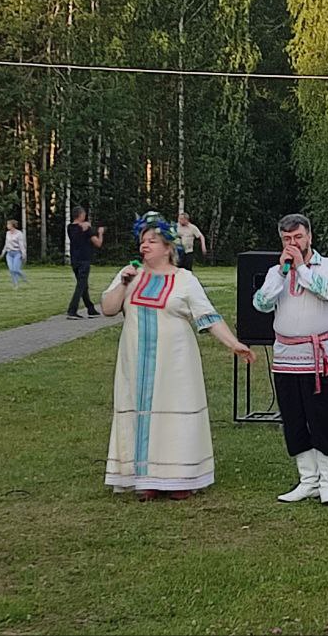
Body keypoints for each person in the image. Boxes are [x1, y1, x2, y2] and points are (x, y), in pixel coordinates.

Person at [100, 212, 255, 501]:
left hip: (175, 362)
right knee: (140, 413)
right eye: (143, 241)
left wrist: (234, 344)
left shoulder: (185, 279)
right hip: (135, 361)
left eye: (152, 241)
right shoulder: (130, 274)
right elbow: (108, 309)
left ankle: (180, 478)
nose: (145, 246)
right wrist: (123, 282)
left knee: (174, 415)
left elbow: (208, 316)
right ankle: (144, 478)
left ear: (168, 247)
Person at [252, 214, 328, 505]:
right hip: (286, 358)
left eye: (298, 237)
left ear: (309, 237)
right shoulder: (275, 271)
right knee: (293, 419)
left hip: (320, 359)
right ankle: (308, 480)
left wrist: (302, 267)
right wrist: (282, 274)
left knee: (321, 418)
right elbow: (261, 304)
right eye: (287, 239)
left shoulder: (327, 266)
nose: (292, 243)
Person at [67, 206, 105, 319]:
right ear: (81, 215)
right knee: (81, 286)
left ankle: (90, 309)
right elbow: (98, 243)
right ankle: (72, 310)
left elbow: (77, 231)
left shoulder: (70, 228)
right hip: (84, 259)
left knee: (83, 285)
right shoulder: (87, 228)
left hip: (74, 260)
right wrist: (100, 233)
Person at [1, 220, 28, 288]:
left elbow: (21, 245)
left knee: (16, 269)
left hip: (17, 253)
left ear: (12, 225)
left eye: (8, 224)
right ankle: (15, 285)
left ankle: (24, 277)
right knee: (11, 270)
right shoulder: (7, 233)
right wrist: (3, 252)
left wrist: (24, 254)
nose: (7, 226)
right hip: (9, 253)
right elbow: (6, 244)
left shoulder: (19, 233)